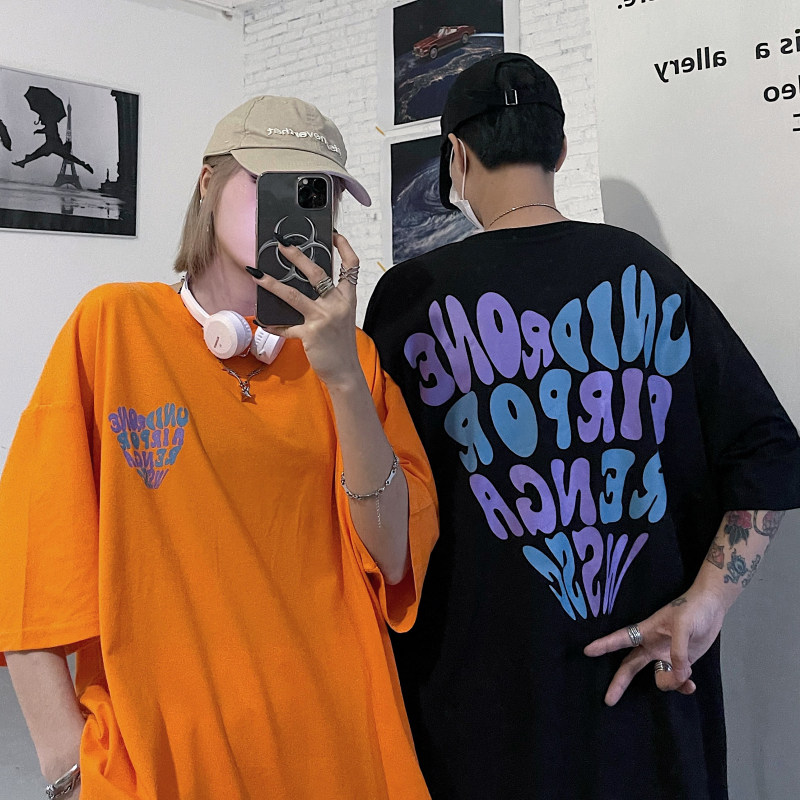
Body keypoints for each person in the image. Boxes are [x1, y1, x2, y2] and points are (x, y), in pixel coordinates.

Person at [363, 53, 800, 800]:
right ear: (560, 149)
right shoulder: (648, 274)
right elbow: (769, 451)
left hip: (479, 724)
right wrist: (706, 603)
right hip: (647, 717)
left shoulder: (411, 299)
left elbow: (378, 504)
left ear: (456, 156)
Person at [0, 96, 438, 799]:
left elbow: (392, 557)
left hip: (339, 747)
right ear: (208, 183)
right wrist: (69, 772)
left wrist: (343, 380)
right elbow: (28, 565)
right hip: (169, 764)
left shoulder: (351, 360)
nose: (295, 208)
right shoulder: (114, 327)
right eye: (271, 182)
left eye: (317, 191)